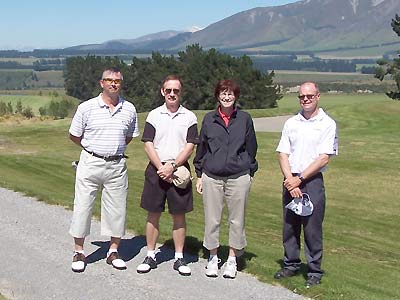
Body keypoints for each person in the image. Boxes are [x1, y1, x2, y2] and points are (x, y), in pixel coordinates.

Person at [69, 67, 139, 272]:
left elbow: (128, 136)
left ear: (121, 84)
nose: (113, 84)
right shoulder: (86, 108)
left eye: (117, 80)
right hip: (90, 162)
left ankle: (113, 251)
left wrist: (111, 148)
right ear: (102, 83)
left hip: (117, 164)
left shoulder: (129, 109)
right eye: (109, 80)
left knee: (117, 209)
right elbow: (74, 135)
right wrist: (92, 148)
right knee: (82, 206)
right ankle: (79, 251)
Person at [274, 81, 338, 288]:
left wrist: (299, 179)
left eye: (309, 96)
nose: (306, 99)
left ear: (318, 96)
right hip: (290, 179)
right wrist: (290, 181)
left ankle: (314, 270)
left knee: (312, 228)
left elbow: (323, 158)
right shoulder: (292, 122)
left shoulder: (327, 123)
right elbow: (283, 153)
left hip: (311, 181)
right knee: (290, 226)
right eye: (302, 96)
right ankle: (291, 264)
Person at [193, 79, 258, 279]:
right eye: (223, 93)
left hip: (238, 176)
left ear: (235, 96)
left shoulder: (244, 119)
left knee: (236, 220)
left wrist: (249, 170)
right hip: (212, 176)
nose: (227, 97)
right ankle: (213, 256)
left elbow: (252, 147)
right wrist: (199, 174)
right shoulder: (209, 119)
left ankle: (232, 259)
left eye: (230, 93)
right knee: (212, 219)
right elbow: (202, 147)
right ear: (218, 96)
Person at [136, 75, 198, 276]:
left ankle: (179, 258)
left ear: (181, 92)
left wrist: (172, 166)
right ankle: (151, 255)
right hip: (156, 170)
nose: (172, 94)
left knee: (178, 215)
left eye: (176, 91)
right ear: (163, 92)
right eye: (169, 90)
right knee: (153, 213)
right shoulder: (154, 115)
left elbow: (190, 146)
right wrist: (161, 167)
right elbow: (148, 143)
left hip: (179, 171)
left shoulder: (189, 117)